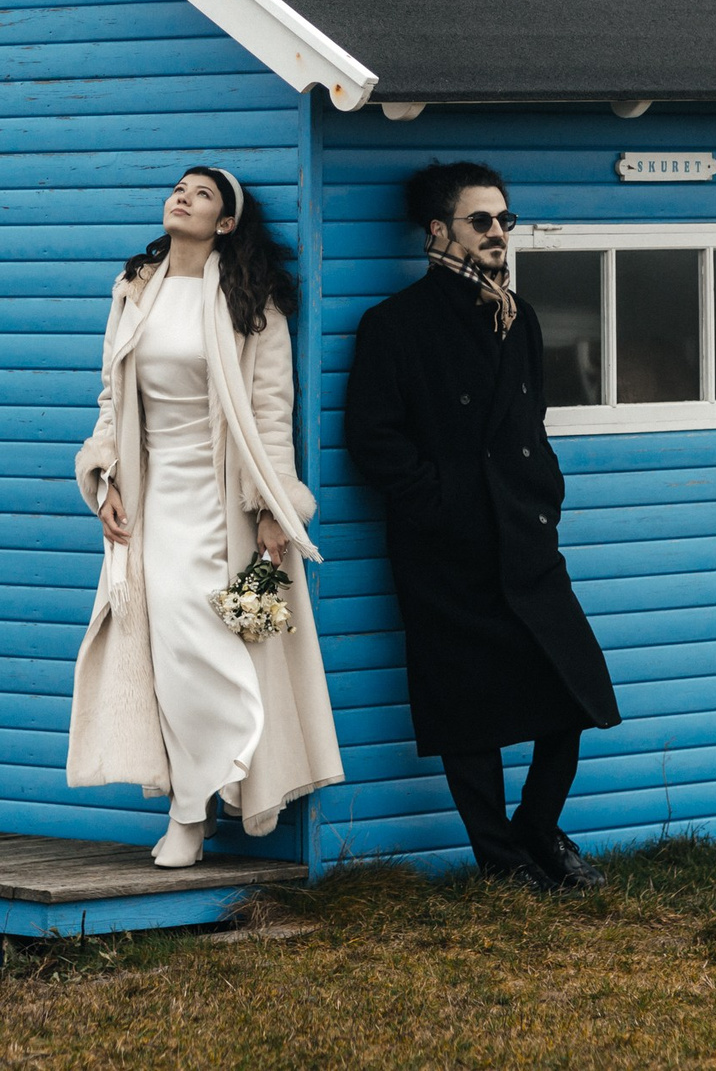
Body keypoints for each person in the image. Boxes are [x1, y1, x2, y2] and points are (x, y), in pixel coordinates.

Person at [344, 160, 621, 889]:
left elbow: (532, 421)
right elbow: (373, 440)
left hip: (526, 537)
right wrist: (440, 505)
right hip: (445, 546)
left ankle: (535, 825)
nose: (499, 232)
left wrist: (543, 492)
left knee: (578, 688)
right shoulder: (394, 324)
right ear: (439, 231)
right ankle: (500, 863)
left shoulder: (516, 314)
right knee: (469, 713)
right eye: (482, 221)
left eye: (505, 219)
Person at [69, 167, 343, 867]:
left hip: (221, 498)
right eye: (180, 187)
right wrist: (105, 478)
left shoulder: (252, 302)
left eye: (204, 194)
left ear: (225, 223)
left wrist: (274, 510)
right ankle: (190, 807)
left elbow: (271, 412)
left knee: (212, 646)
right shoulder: (134, 287)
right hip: (152, 495)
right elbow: (111, 394)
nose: (183, 195)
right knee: (168, 654)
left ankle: (198, 806)